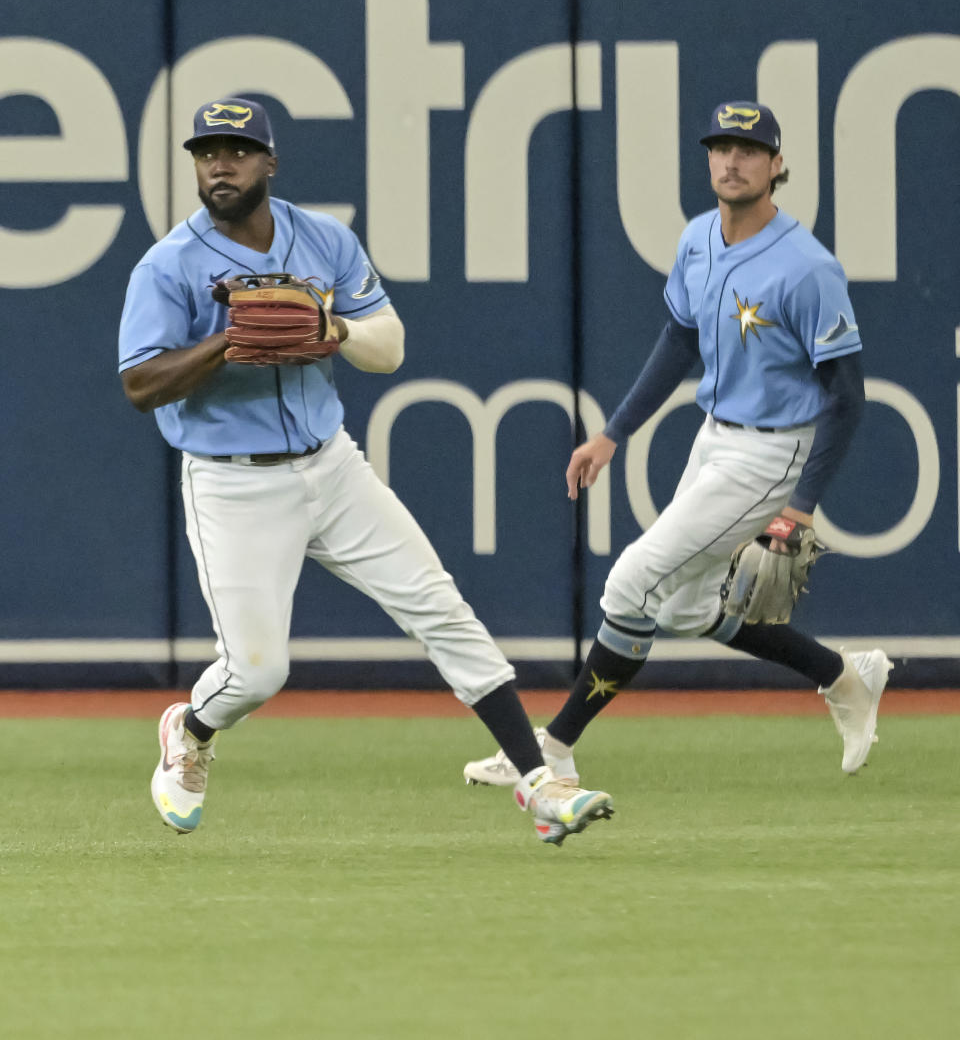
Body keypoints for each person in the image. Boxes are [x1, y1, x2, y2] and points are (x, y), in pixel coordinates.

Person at [118, 95, 613, 844]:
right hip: (233, 480)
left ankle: (539, 783)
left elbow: (389, 345)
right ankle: (189, 730)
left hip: (332, 464)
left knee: (440, 607)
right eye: (205, 151)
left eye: (238, 149)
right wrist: (226, 342)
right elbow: (139, 384)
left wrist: (336, 326)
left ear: (270, 162)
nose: (220, 163)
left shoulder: (323, 240)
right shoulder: (168, 265)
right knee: (255, 673)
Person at [464, 100, 891, 788]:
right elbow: (680, 339)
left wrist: (804, 505)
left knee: (633, 581)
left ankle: (554, 748)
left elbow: (848, 396)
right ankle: (843, 677)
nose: (731, 160)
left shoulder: (807, 268)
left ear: (777, 166)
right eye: (721, 146)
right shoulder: (698, 238)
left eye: (749, 150)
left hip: (771, 452)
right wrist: (612, 432)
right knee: (687, 608)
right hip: (715, 437)